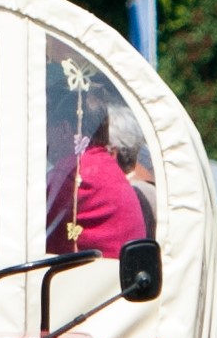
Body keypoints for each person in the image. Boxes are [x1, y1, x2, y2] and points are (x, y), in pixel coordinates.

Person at [44, 107, 150, 260]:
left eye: (48, 128)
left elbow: (24, 217)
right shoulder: (103, 165)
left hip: (98, 281)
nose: (46, 139)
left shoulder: (76, 173)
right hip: (117, 278)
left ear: (64, 128)